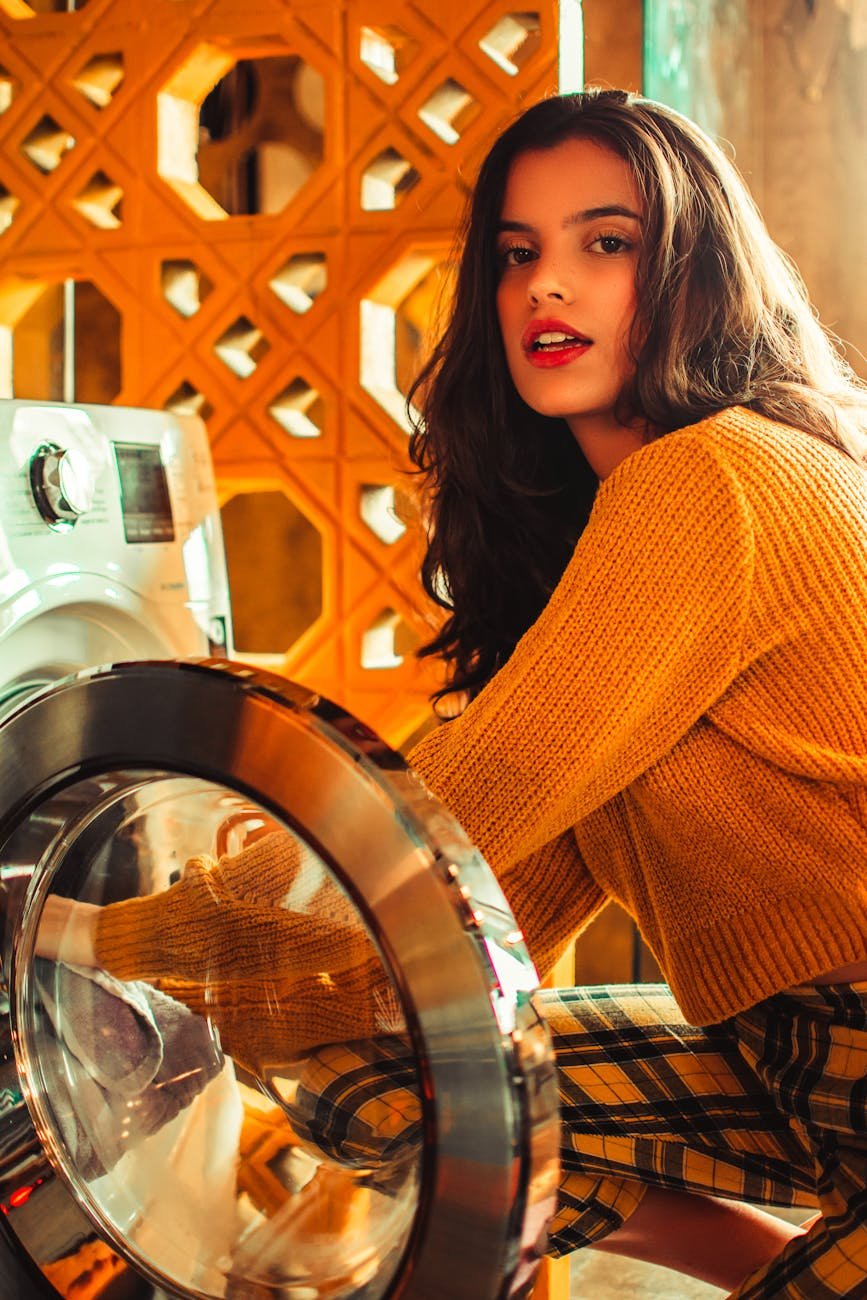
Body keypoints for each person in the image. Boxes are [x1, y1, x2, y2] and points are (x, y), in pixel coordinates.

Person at [37, 87, 867, 1297]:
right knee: (386, 1062)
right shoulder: (612, 548)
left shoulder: (716, 479)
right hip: (787, 1061)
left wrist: (87, 932)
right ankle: (771, 1268)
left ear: (697, 269)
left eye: (607, 243)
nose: (547, 287)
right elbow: (472, 914)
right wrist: (214, 969)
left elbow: (455, 811)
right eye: (519, 255)